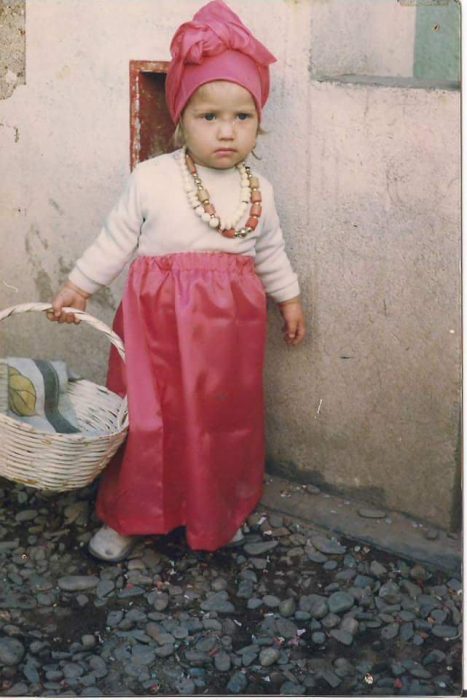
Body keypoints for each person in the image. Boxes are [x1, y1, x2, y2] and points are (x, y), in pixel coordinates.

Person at [49, 0, 306, 562]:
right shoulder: (152, 180)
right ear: (180, 117)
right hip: (155, 328)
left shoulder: (258, 190)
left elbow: (271, 251)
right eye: (207, 116)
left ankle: (216, 509)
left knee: (222, 423)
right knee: (146, 417)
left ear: (259, 121)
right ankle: (131, 515)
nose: (225, 132)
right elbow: (114, 240)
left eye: (242, 117)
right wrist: (79, 286)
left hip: (228, 339)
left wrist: (288, 300)